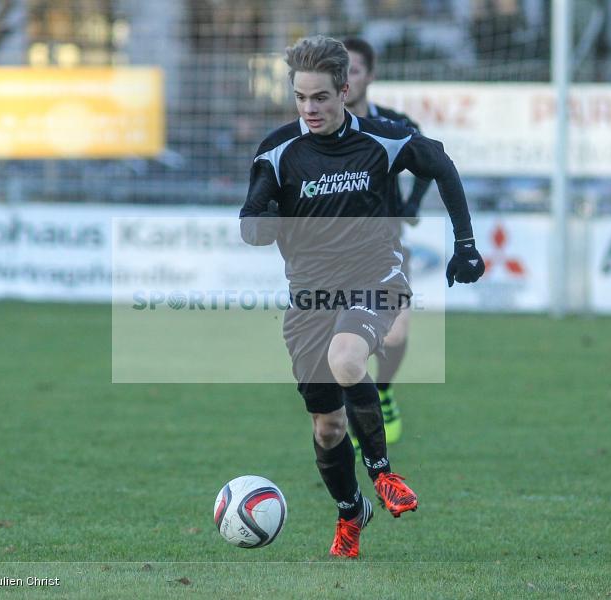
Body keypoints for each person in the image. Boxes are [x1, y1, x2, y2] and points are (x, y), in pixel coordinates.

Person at [239, 35, 484, 558]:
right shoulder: (279, 151)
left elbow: (439, 161)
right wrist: (262, 225)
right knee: (327, 428)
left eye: (321, 97)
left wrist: (465, 243)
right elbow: (251, 222)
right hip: (308, 299)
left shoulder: (380, 139)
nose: (310, 109)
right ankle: (351, 511)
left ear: (345, 90)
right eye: (301, 98)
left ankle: (384, 475)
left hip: (376, 276)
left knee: (347, 357)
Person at [342, 36, 432, 446]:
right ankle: (357, 411)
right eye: (339, 71)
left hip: (386, 248)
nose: (346, 79)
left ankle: (384, 389)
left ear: (371, 76)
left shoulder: (393, 125)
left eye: (354, 70)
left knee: (394, 337)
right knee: (344, 344)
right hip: (334, 253)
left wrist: (412, 202)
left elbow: (432, 162)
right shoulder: (323, 126)